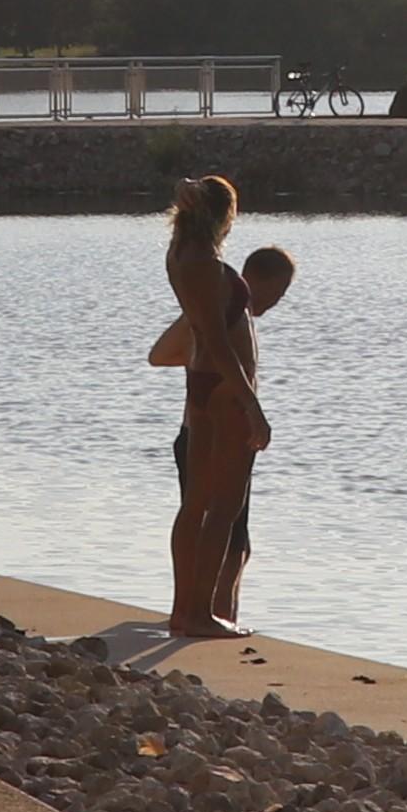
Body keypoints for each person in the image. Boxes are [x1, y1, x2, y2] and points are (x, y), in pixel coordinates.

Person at [151, 243, 299, 618]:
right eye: (280, 291)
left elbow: (167, 354)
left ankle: (199, 612)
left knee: (229, 537)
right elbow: (160, 355)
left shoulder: (218, 308)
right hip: (214, 430)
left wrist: (203, 360)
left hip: (204, 429)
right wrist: (217, 371)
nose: (278, 301)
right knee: (226, 536)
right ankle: (207, 615)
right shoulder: (226, 307)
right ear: (262, 281)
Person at [158, 173, 267, 641]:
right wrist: (251, 404)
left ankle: (185, 611)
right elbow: (218, 340)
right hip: (222, 389)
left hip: (202, 385)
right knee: (223, 505)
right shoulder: (202, 262)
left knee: (197, 504)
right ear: (222, 216)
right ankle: (198, 613)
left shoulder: (182, 252)